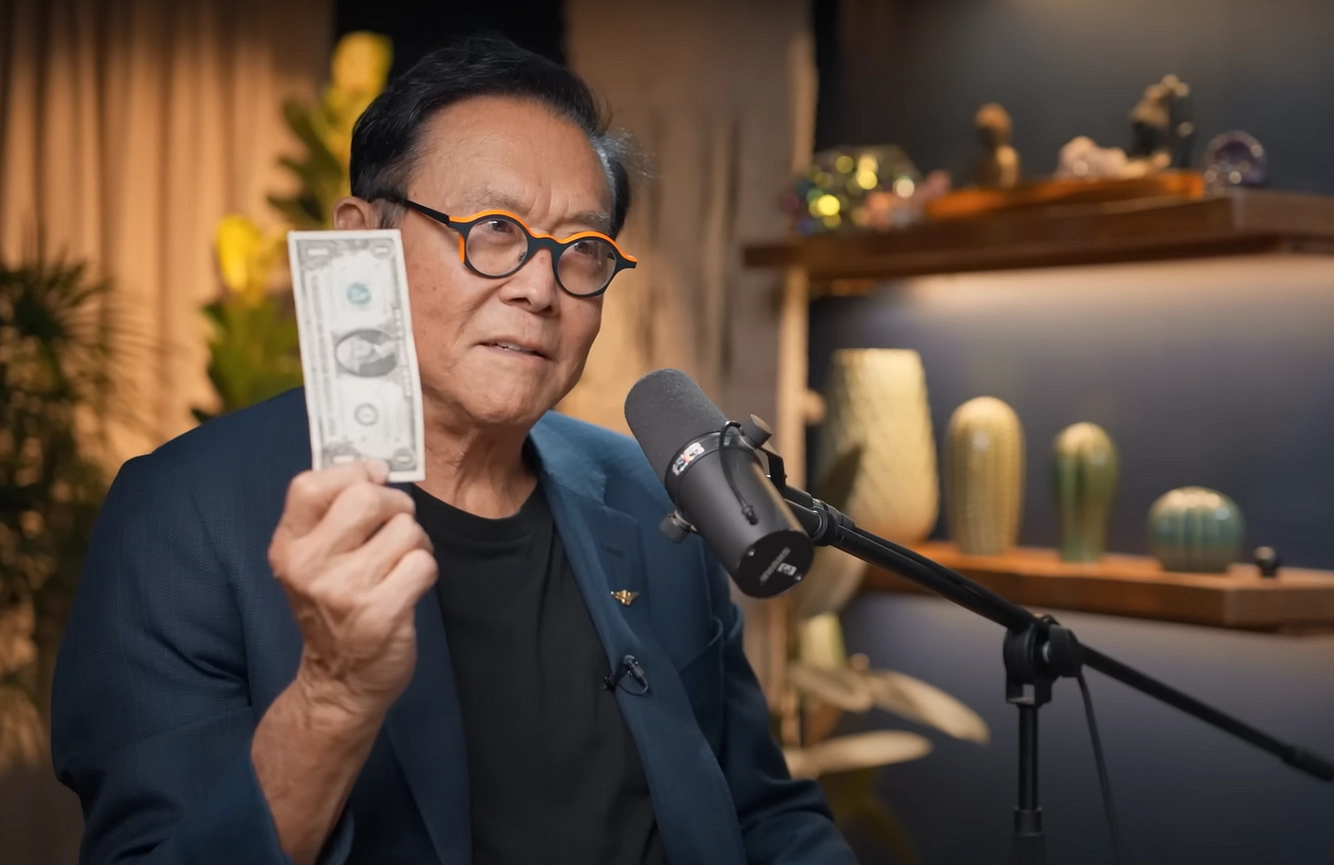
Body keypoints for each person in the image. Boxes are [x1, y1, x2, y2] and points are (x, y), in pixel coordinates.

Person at [50, 34, 856, 865]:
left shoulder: (652, 496)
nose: (539, 288)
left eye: (583, 250)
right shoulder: (184, 513)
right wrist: (331, 699)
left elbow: (762, 812)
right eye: (494, 230)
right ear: (361, 240)